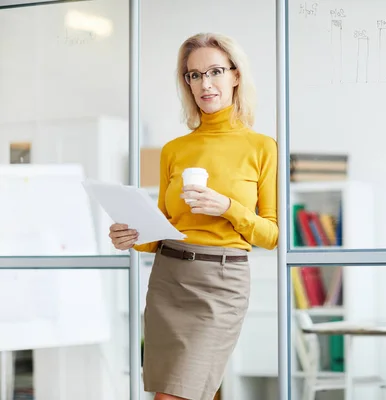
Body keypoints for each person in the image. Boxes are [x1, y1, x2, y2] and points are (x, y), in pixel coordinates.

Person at [108, 32, 278, 400]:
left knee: (174, 396)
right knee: (176, 393)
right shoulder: (174, 150)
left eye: (215, 71)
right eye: (194, 75)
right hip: (169, 279)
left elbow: (271, 235)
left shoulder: (263, 148)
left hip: (222, 282)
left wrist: (228, 209)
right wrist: (133, 236)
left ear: (235, 75)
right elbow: (164, 230)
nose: (205, 83)